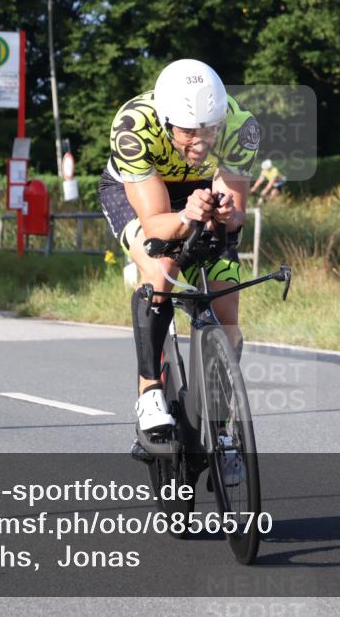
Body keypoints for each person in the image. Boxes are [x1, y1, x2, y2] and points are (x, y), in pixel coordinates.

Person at [99, 59, 259, 435]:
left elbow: (236, 218)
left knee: (225, 295)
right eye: (189, 131)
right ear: (168, 119)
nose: (201, 142)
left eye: (210, 130)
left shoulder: (241, 126)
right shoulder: (133, 126)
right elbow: (155, 223)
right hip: (140, 193)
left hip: (199, 192)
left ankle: (219, 415)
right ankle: (150, 390)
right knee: (162, 267)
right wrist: (186, 218)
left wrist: (225, 212)